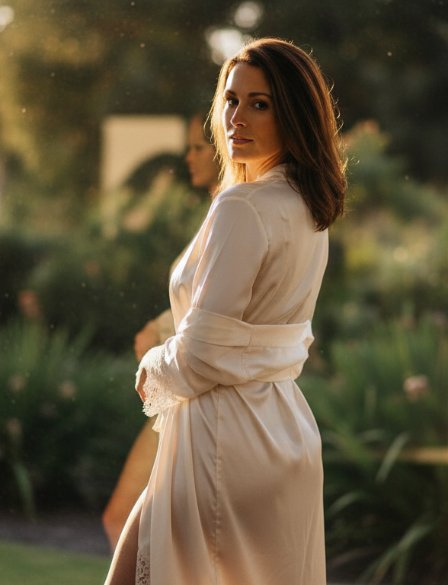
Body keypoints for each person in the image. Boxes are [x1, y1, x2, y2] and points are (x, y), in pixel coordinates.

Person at [104, 37, 346, 585]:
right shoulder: (308, 209)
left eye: (260, 104)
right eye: (231, 100)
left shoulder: (243, 205)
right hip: (284, 436)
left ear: (295, 114)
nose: (237, 118)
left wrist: (151, 367)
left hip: (223, 440)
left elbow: (203, 353)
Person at [102, 113, 221, 550]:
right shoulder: (218, 212)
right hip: (174, 391)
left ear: (223, 151)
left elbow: (218, 313)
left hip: (195, 392)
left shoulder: (236, 214)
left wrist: (159, 335)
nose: (188, 157)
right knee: (125, 522)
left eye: (198, 148)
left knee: (137, 526)